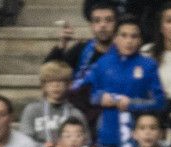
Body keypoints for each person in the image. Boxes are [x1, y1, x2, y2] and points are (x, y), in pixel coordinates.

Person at [84, 15, 165, 147]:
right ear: (115, 38)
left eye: (134, 36)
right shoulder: (103, 63)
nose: (129, 41)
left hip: (139, 142)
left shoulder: (148, 65)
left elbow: (160, 102)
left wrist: (133, 104)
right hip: (109, 139)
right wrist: (100, 98)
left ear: (140, 40)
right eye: (124, 35)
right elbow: (90, 95)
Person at [44, 1, 117, 135]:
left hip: (109, 111)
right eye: (97, 21)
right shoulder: (81, 49)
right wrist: (62, 45)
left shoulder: (124, 52)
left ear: (116, 24)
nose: (103, 25)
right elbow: (49, 72)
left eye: (108, 20)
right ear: (91, 26)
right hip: (77, 111)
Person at [19, 61, 88, 147]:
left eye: (60, 81)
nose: (56, 85)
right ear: (43, 86)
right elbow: (24, 142)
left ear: (69, 85)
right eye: (51, 81)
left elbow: (86, 143)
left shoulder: (76, 114)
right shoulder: (32, 110)